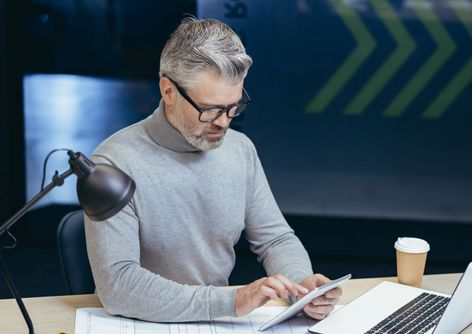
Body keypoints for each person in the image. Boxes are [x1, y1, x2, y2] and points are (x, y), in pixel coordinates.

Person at [84, 17, 341, 323]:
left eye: (234, 107)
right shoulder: (113, 165)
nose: (224, 122)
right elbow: (118, 286)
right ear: (168, 92)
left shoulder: (239, 149)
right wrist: (231, 301)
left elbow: (276, 240)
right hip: (141, 323)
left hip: (215, 322)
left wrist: (302, 285)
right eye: (210, 110)